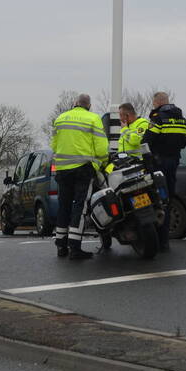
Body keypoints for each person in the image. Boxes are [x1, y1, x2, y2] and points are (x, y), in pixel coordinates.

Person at [50, 93, 108, 260]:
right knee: (79, 207)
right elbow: (102, 148)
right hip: (83, 169)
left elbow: (54, 145)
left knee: (64, 206)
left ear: (75, 104)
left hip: (62, 170)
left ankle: (61, 246)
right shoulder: (93, 119)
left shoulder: (60, 118)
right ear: (88, 106)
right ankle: (75, 248)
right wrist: (100, 163)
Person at [142, 91, 186, 251]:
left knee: (155, 199)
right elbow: (183, 143)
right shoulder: (183, 121)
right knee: (167, 199)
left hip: (158, 163)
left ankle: (156, 237)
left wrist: (148, 159)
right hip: (173, 162)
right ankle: (165, 241)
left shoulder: (157, 118)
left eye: (154, 103)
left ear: (158, 102)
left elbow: (147, 140)